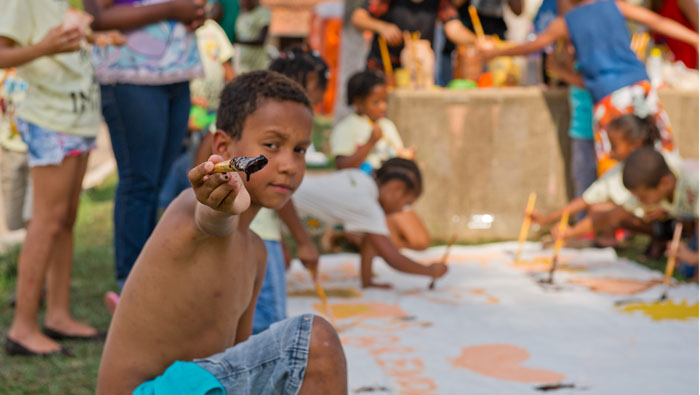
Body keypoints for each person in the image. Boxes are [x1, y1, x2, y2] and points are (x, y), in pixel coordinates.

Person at [97, 71, 347, 394]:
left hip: (202, 386)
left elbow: (235, 363)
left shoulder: (257, 253)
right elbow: (212, 219)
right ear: (224, 147)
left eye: (299, 150)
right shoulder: (191, 210)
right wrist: (222, 205)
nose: (289, 164)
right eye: (272, 145)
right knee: (317, 342)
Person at [478, 0, 699, 176]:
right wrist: (694, 38)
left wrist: (494, 52)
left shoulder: (565, 23)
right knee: (662, 150)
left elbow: (531, 47)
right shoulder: (614, 5)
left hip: (609, 101)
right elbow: (658, 22)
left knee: (614, 164)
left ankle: (620, 225)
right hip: (641, 88)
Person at [1, 1, 103, 356]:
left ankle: (58, 315)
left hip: (78, 117)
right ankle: (22, 328)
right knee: (46, 222)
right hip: (51, 118)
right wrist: (48, 47)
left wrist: (95, 35)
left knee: (65, 219)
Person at [85, 0, 206, 289]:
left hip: (177, 75)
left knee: (156, 182)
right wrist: (173, 10)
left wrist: (201, 12)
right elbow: (97, 16)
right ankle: (130, 283)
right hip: (131, 77)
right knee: (140, 181)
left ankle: (149, 273)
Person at [249, 45, 330, 334]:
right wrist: (304, 241)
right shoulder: (270, 122)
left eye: (300, 150)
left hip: (253, 229)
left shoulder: (250, 114)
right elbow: (278, 187)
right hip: (256, 233)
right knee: (268, 328)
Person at [291, 157, 448, 289]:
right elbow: (392, 258)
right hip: (282, 205)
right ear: (396, 189)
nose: (401, 209)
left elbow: (369, 242)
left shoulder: (361, 179)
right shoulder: (368, 206)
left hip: (284, 200)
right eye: (406, 203)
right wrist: (430, 270)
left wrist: (367, 282)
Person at [533, 114, 680, 242]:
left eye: (614, 146)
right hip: (652, 221)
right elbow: (592, 203)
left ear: (635, 145)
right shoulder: (618, 172)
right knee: (604, 209)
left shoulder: (670, 164)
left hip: (678, 221)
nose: (610, 154)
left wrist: (668, 210)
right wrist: (551, 222)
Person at [330, 70, 429, 251]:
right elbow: (342, 166)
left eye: (385, 101)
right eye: (376, 102)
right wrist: (370, 143)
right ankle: (348, 234)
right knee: (392, 246)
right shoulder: (346, 128)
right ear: (358, 103)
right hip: (365, 196)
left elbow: (394, 160)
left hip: (390, 196)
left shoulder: (387, 125)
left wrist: (405, 158)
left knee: (420, 242)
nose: (383, 107)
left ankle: (364, 237)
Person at [622, 147, 698, 280]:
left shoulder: (694, 183)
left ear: (665, 183)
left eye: (644, 197)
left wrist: (695, 257)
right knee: (686, 267)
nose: (641, 202)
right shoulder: (669, 184)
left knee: (690, 263)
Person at [351, 0, 477, 71]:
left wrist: (478, 41)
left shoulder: (439, 2)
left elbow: (454, 28)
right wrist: (382, 27)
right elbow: (358, 18)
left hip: (418, 71)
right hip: (383, 69)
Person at [235, 0, 271, 74]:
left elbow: (261, 39)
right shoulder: (241, 14)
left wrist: (238, 41)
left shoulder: (263, 12)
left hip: (258, 65)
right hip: (242, 66)